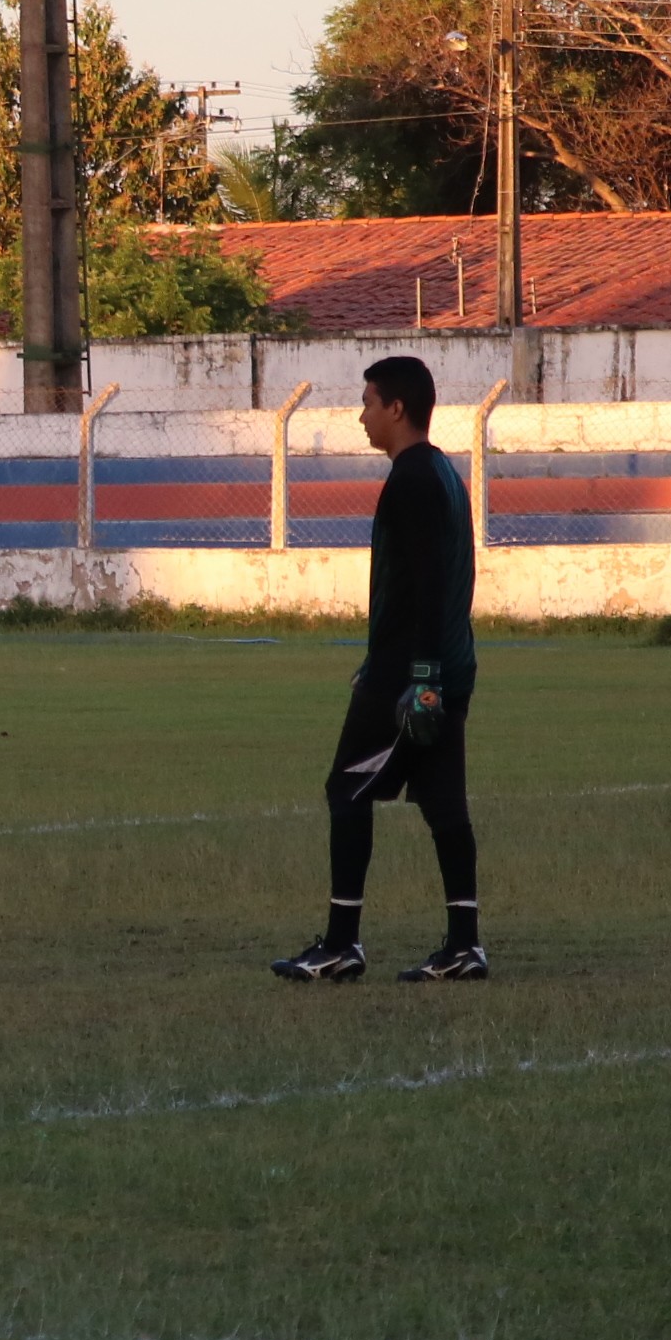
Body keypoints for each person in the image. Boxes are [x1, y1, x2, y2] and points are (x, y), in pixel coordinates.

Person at [272, 355, 483, 984]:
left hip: (409, 673)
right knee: (443, 801)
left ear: (396, 408)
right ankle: (466, 946)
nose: (361, 416)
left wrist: (416, 678)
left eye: (367, 403)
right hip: (450, 660)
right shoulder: (442, 470)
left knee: (348, 788)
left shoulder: (412, 479)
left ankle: (341, 944)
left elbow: (421, 585)